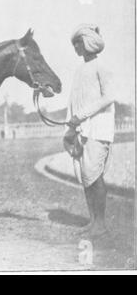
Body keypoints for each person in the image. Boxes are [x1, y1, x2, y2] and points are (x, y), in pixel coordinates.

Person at [64, 24, 115, 237]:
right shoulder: (79, 70)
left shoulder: (101, 67)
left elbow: (108, 97)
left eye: (78, 43)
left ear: (86, 44)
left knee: (94, 175)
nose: (76, 47)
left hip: (98, 129)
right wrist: (70, 125)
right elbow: (73, 102)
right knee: (85, 176)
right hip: (80, 130)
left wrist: (81, 116)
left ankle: (101, 225)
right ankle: (93, 222)